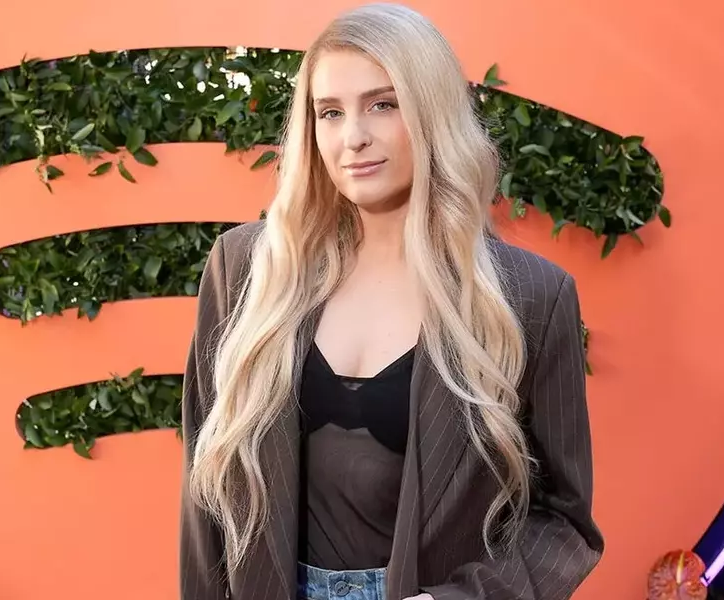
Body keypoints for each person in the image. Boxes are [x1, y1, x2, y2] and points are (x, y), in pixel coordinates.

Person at [179, 4, 604, 600]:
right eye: (330, 112)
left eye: (383, 104)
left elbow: (563, 521)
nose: (353, 137)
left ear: (432, 112)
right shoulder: (247, 268)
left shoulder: (530, 295)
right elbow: (205, 494)